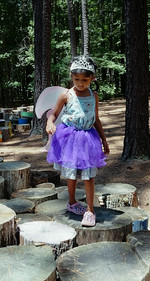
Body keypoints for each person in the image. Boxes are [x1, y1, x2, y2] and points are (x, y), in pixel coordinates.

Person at [46, 55, 110, 227]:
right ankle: (72, 202)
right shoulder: (66, 95)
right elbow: (54, 112)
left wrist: (104, 140)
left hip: (88, 139)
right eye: (77, 79)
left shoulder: (93, 96)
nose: (80, 83)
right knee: (72, 173)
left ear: (92, 78)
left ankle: (90, 210)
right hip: (70, 138)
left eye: (85, 79)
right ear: (71, 76)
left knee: (89, 175)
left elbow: (96, 119)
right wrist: (50, 122)